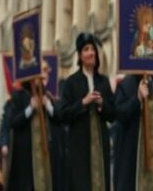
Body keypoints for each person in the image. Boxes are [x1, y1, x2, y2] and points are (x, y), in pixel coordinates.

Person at [58, 33, 114, 191]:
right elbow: (63, 114)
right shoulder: (71, 82)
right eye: (86, 49)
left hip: (101, 146)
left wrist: (102, 105)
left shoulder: (103, 81)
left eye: (93, 49)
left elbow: (113, 114)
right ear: (80, 55)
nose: (91, 53)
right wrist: (83, 102)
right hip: (79, 147)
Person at [6, 65, 56, 191]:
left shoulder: (45, 95)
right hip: (25, 153)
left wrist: (48, 105)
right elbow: (13, 121)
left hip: (43, 152)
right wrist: (30, 108)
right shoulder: (18, 96)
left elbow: (58, 118)